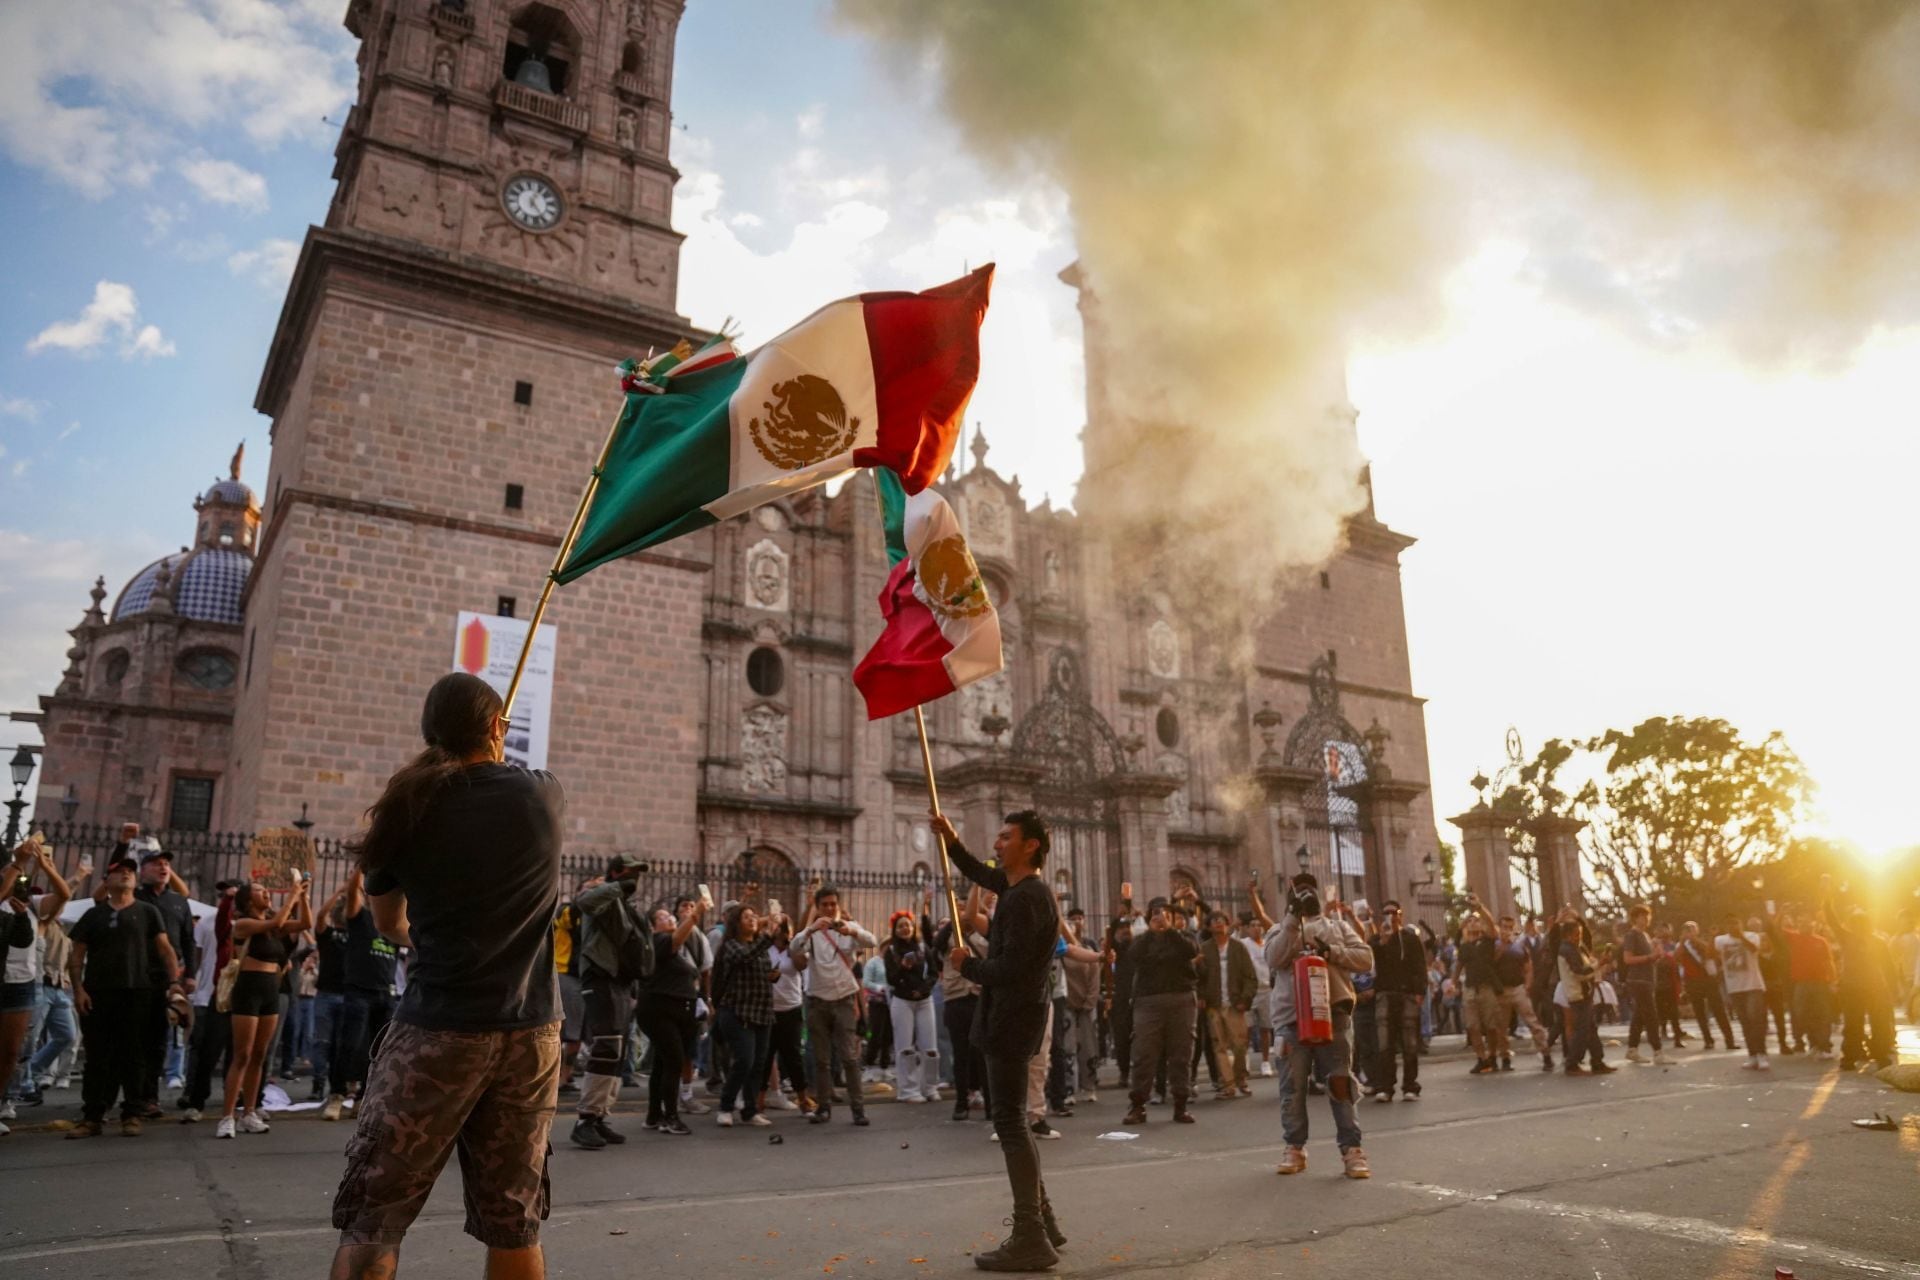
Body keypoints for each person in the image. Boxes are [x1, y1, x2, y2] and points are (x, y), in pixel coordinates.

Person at [328, 672, 564, 1280]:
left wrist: (433, 932)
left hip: (438, 1031)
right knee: (513, 1219)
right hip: (531, 1033)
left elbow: (389, 923)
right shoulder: (541, 795)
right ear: (496, 726)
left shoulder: (404, 808)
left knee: (375, 1217)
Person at [932, 810, 1065, 1273]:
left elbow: (1012, 969)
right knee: (1014, 1122)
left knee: (1009, 1122)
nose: (997, 843)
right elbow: (981, 873)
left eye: (1006, 837)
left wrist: (966, 965)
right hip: (1009, 1017)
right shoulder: (1017, 889)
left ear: (1031, 845)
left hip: (1012, 1018)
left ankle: (1030, 1235)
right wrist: (950, 842)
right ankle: (1043, 1223)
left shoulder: (1029, 898)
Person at [65, 852, 183, 1137]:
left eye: (130, 871)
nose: (127, 875)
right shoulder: (94, 915)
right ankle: (92, 1116)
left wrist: (173, 983)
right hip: (99, 993)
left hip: (138, 992)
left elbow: (165, 949)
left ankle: (132, 1113)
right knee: (97, 1057)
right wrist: (78, 989)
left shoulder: (147, 911)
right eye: (119, 872)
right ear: (107, 881)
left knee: (134, 1055)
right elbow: (77, 955)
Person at [1265, 873, 1373, 1179]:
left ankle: (1352, 1151)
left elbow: (1366, 958)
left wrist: (1332, 952)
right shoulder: (1278, 929)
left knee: (1340, 1082)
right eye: (1299, 892)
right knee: (1292, 1087)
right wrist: (1290, 919)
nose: (1305, 895)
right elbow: (1274, 958)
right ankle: (1294, 1148)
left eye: (1309, 890)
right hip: (1291, 1019)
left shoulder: (1337, 926)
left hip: (1333, 1015)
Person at [218, 874, 312, 1138]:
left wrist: (303, 896)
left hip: (271, 988)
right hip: (249, 988)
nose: (266, 893)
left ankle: (249, 1111)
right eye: (259, 890)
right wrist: (292, 892)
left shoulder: (274, 928)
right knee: (242, 1054)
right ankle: (227, 1116)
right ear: (248, 900)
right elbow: (279, 920)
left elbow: (305, 923)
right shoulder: (244, 923)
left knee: (260, 1054)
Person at [570, 854, 649, 1149]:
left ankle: (600, 1115)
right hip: (599, 977)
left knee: (618, 1050)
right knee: (606, 1046)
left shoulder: (624, 904)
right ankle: (585, 1119)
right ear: (615, 872)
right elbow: (584, 902)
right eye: (630, 872)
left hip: (619, 981)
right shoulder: (600, 892)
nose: (635, 879)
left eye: (638, 874)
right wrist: (615, 887)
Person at [2, 838, 72, 1132]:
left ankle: (4, 1099)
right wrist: (18, 863)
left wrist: (45, 867)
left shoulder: (31, 905)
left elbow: (64, 894)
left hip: (21, 983)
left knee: (11, 1050)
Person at [791, 883, 875, 1127]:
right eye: (824, 904)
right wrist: (809, 929)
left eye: (833, 904)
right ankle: (823, 1107)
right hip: (817, 1001)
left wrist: (852, 932)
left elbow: (872, 941)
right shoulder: (814, 932)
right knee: (822, 1059)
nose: (829, 908)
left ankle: (858, 1109)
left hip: (843, 1001)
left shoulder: (848, 928)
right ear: (817, 907)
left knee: (849, 1057)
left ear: (839, 906)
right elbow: (795, 947)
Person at [128, 843, 197, 1117]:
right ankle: (131, 1096)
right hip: (137, 975)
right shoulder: (135, 897)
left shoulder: (178, 902)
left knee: (158, 1039)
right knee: (135, 1039)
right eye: (156, 863)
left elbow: (188, 941)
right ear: (142, 870)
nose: (163, 867)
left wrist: (190, 974)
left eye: (166, 864)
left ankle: (149, 1097)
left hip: (169, 979)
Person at [177, 880, 239, 1123]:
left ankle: (232, 1097)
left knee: (236, 1052)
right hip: (210, 994)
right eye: (224, 894)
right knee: (204, 1049)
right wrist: (194, 979)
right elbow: (198, 954)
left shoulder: (249, 923)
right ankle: (194, 1095)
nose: (227, 898)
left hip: (241, 998)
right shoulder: (209, 921)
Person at [641, 902, 704, 1135]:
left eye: (670, 916)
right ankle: (670, 1117)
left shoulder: (674, 948)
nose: (670, 919)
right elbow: (676, 939)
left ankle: (653, 1115)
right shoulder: (657, 942)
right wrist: (695, 916)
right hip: (659, 1011)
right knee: (675, 1061)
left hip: (675, 1012)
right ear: (652, 926)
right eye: (663, 917)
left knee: (662, 1063)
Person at [712, 900, 777, 1126]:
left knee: (759, 1064)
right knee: (744, 1061)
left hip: (762, 1010)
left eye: (754, 916)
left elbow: (762, 969)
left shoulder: (759, 943)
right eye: (746, 917)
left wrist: (773, 975)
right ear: (736, 924)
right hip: (738, 1011)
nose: (752, 920)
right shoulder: (732, 945)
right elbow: (744, 958)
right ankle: (725, 1106)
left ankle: (750, 1110)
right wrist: (769, 937)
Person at [1362, 900, 1426, 1100]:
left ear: (1401, 915)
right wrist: (1382, 941)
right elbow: (1370, 964)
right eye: (1386, 913)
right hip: (1385, 994)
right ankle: (1385, 1087)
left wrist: (1419, 991)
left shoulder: (1410, 938)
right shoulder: (1376, 940)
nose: (1391, 916)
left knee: (1409, 1043)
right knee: (1384, 1044)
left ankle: (1410, 1086)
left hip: (1406, 993)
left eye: (1394, 912)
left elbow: (1420, 965)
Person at [937, 888, 990, 1122]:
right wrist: (952, 923)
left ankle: (990, 1102)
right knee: (961, 1054)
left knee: (982, 1053)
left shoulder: (983, 933)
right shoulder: (949, 934)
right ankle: (961, 1102)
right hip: (956, 996)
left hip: (979, 995)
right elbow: (934, 948)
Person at [883, 908, 941, 1104]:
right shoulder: (890, 952)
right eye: (900, 926)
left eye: (907, 924)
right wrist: (902, 967)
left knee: (930, 1047)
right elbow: (891, 978)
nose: (905, 928)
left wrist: (924, 989)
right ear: (895, 930)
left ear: (913, 927)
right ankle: (908, 1089)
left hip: (924, 1000)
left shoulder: (924, 949)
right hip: (902, 1001)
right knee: (905, 1047)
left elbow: (934, 973)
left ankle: (930, 1087)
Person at [1197, 909, 1256, 1100]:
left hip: (1234, 1004)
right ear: (1209, 926)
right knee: (1218, 1046)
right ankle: (1228, 1085)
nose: (1218, 923)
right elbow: (1198, 977)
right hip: (1213, 1004)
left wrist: (1245, 999)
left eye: (1221, 920)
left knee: (1240, 1044)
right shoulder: (1204, 949)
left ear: (1227, 923)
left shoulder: (1238, 947)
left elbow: (1250, 977)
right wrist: (1201, 995)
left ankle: (1240, 1079)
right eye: (1214, 920)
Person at [1554, 913, 1615, 1076]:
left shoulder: (1576, 948)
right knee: (1582, 1030)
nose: (1579, 937)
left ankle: (1597, 1061)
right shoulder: (1568, 950)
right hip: (1578, 994)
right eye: (1576, 934)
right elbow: (1579, 972)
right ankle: (1572, 1062)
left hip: (1584, 992)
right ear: (1568, 935)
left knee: (1590, 1028)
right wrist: (1599, 964)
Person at [763, 915, 813, 1114]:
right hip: (768, 1008)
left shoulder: (794, 949)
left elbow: (802, 965)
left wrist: (792, 945)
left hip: (791, 1008)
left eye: (783, 927)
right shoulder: (765, 948)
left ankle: (803, 1099)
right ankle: (759, 1101)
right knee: (765, 1057)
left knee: (793, 1057)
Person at [1713, 913, 1771, 1070]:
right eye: (1729, 924)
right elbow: (1711, 954)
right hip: (1734, 987)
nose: (1733, 927)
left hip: (1753, 985)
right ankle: (1752, 1055)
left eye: (1736, 923)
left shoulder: (1751, 936)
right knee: (1745, 1022)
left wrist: (1741, 937)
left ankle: (1762, 1054)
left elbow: (1754, 950)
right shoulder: (1720, 940)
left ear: (1741, 924)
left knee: (1755, 1019)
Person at [1618, 904, 1671, 1066]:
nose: (1646, 919)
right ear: (1635, 918)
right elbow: (1628, 959)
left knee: (1639, 1017)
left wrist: (1656, 956)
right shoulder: (1632, 935)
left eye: (1647, 916)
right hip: (1638, 980)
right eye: (1642, 916)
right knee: (1651, 1015)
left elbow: (1651, 957)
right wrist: (1650, 957)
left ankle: (1632, 1049)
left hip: (1648, 979)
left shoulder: (1646, 936)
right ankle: (1658, 1051)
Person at [1061, 907, 1102, 1101]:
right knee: (1068, 1047)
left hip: (1086, 1004)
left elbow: (1095, 974)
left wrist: (1090, 1000)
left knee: (1088, 1046)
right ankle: (1069, 1088)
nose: (1076, 923)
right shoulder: (1062, 950)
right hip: (1068, 1003)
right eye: (1072, 920)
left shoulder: (1089, 947)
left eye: (1080, 919)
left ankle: (1089, 1086)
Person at [1676, 921, 1736, 1051]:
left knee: (1719, 1011)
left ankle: (1729, 1040)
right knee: (1700, 1013)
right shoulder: (1682, 945)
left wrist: (1696, 941)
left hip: (1708, 980)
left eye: (1692, 929)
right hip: (1693, 982)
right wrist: (1683, 941)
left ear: (1697, 930)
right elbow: (1677, 958)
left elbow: (1711, 953)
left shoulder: (1702, 942)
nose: (1689, 932)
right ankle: (1708, 1040)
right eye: (1686, 930)